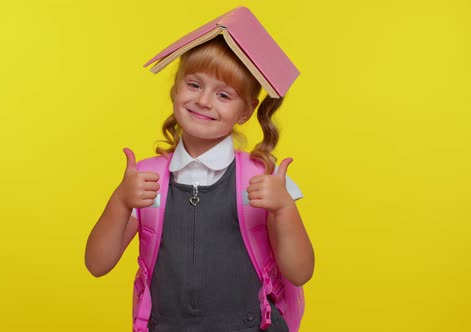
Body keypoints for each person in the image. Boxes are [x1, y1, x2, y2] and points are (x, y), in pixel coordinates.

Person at [85, 32, 314, 332]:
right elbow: (97, 264)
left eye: (224, 94)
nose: (204, 101)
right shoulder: (146, 179)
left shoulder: (264, 179)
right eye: (194, 85)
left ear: (246, 110)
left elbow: (299, 272)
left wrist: (284, 209)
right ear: (175, 89)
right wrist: (120, 201)